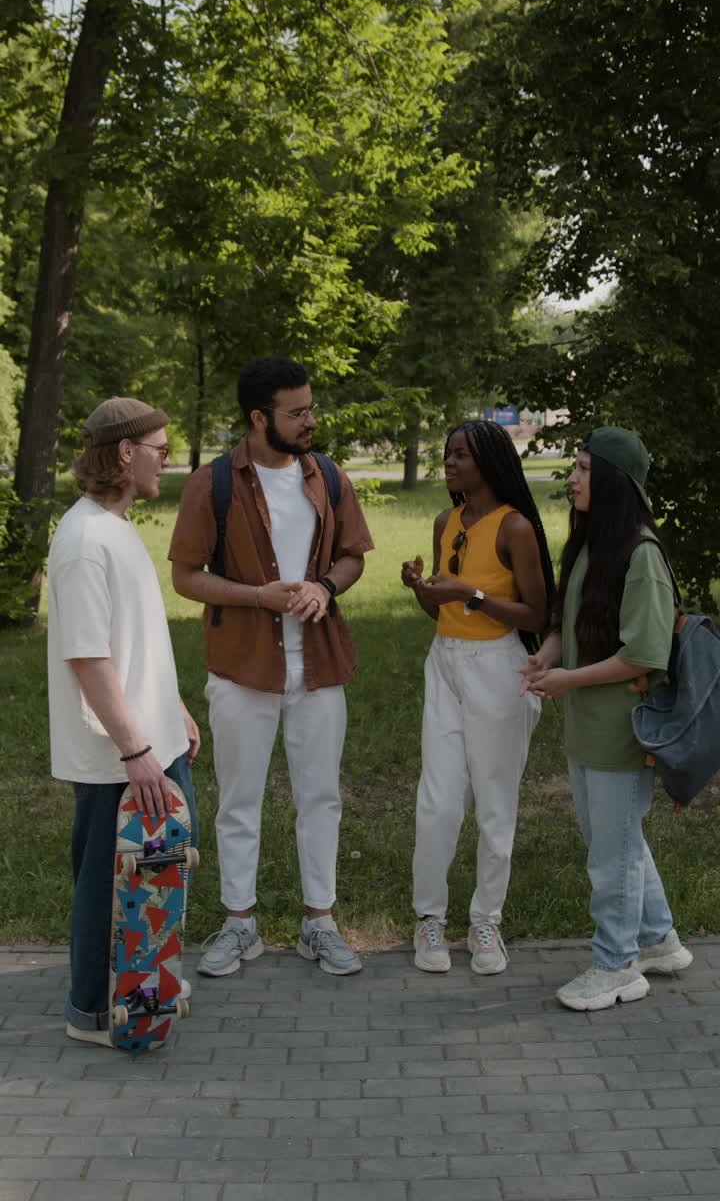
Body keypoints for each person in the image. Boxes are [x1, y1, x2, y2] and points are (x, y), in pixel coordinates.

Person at [169, 356, 373, 977]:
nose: (311, 420)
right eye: (297, 412)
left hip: (317, 663)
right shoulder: (213, 484)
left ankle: (320, 924)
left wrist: (324, 588)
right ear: (259, 418)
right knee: (239, 799)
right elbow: (185, 577)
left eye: (310, 407)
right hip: (242, 667)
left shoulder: (328, 476)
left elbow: (353, 557)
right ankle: (239, 925)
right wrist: (259, 595)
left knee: (322, 796)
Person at [520, 426, 693, 1011]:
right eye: (576, 467)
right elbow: (573, 625)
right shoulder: (593, 545)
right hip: (587, 728)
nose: (572, 478)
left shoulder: (641, 556)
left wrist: (567, 680)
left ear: (616, 482)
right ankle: (659, 940)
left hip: (623, 732)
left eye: (585, 469)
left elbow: (644, 653)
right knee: (615, 841)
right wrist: (550, 653)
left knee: (611, 854)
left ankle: (616, 966)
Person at [47, 397, 200, 1047]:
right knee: (104, 884)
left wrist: (174, 707)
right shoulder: (84, 540)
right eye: (160, 449)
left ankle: (143, 983)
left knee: (156, 879)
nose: (168, 459)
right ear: (122, 453)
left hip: (153, 740)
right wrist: (136, 749)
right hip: (121, 753)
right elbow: (88, 658)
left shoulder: (117, 527)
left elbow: (133, 641)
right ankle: (89, 1011)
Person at [401, 419, 554, 975]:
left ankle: (485, 920)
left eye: (461, 454)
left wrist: (474, 592)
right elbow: (444, 611)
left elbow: (538, 615)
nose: (450, 462)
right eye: (447, 453)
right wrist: (424, 590)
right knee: (438, 798)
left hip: (498, 668)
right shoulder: (446, 521)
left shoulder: (514, 527)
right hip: (444, 662)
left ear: (488, 460)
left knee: (495, 802)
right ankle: (429, 919)